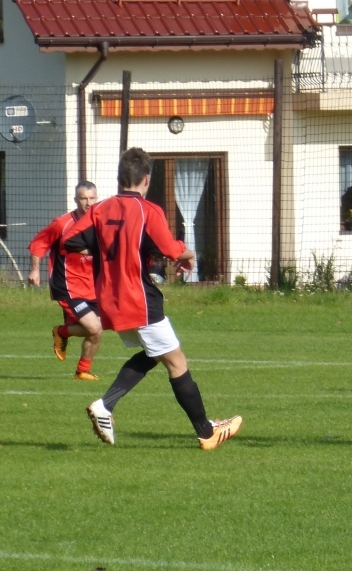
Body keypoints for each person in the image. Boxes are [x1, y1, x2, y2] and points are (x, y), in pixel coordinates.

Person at [63, 148, 241, 450]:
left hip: (110, 300)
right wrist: (190, 254)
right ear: (147, 179)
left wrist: (107, 256)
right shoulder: (148, 210)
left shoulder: (99, 209)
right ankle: (206, 432)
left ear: (121, 178)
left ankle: (106, 405)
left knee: (153, 354)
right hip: (139, 300)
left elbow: (71, 241)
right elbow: (172, 250)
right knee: (176, 362)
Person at [29, 181, 102, 381]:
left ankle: (82, 371)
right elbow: (38, 243)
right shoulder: (63, 224)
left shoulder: (100, 223)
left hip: (92, 287)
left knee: (96, 331)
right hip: (67, 286)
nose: (88, 203)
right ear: (75, 200)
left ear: (97, 198)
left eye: (92, 198)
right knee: (93, 327)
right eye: (83, 198)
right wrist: (35, 270)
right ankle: (61, 332)